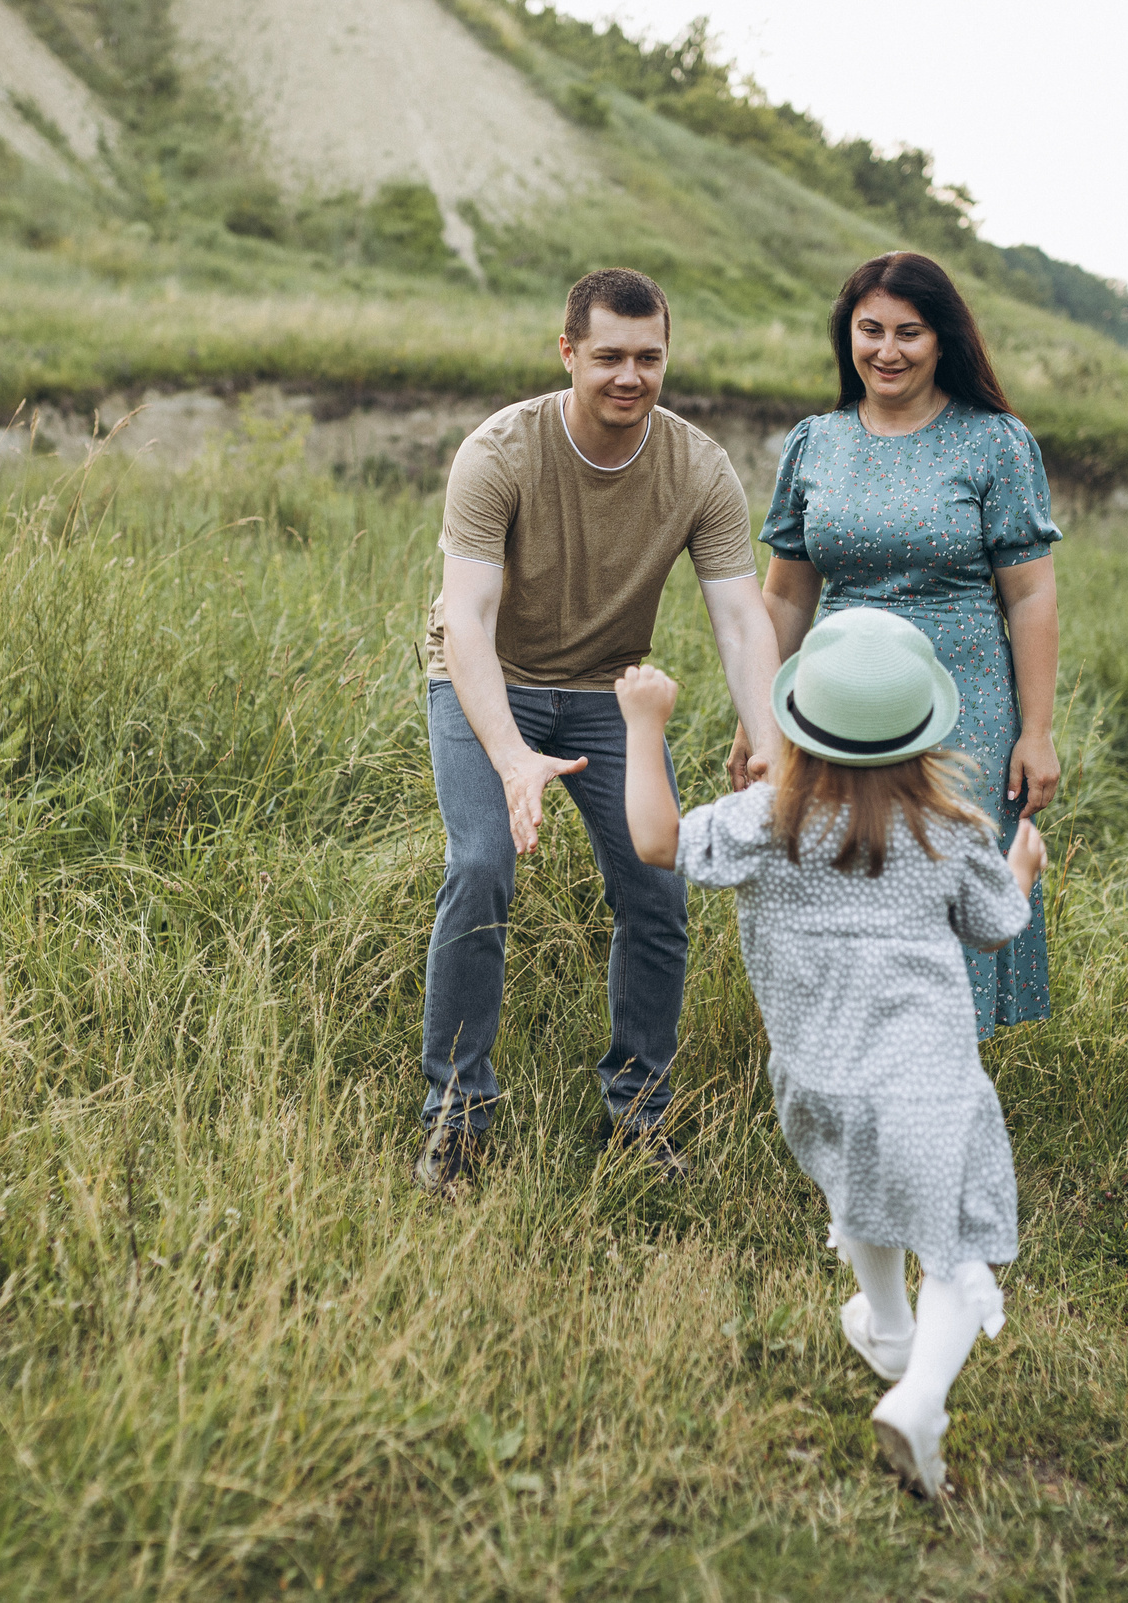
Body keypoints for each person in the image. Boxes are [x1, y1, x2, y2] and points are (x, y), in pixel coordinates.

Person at [617, 609, 1045, 1497]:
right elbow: (1000, 929)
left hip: (817, 1076)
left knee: (867, 1190)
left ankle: (890, 1333)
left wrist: (643, 725)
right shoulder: (949, 827)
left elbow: (656, 842)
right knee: (959, 1239)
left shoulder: (764, 820)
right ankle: (920, 1397)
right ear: (924, 734)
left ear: (799, 724)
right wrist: (1023, 871)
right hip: (926, 1074)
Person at [415, 267, 786, 1194]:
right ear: (569, 351)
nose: (631, 375)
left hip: (608, 694)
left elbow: (742, 621)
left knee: (658, 889)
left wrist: (772, 743)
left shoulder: (699, 467)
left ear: (667, 357)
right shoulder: (498, 450)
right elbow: (465, 620)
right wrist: (512, 760)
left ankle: (637, 1115)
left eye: (649, 357)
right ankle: (456, 1117)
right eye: (610, 356)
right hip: (489, 680)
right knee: (480, 868)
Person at [731, 251, 1060, 1037]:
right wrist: (755, 718)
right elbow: (784, 593)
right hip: (835, 703)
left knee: (943, 879)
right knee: (840, 872)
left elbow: (1031, 593)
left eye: (909, 332)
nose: (888, 350)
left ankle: (941, 1076)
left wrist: (1037, 731)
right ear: (847, 336)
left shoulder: (995, 443)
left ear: (942, 338)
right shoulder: (816, 442)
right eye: (869, 330)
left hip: (963, 704)